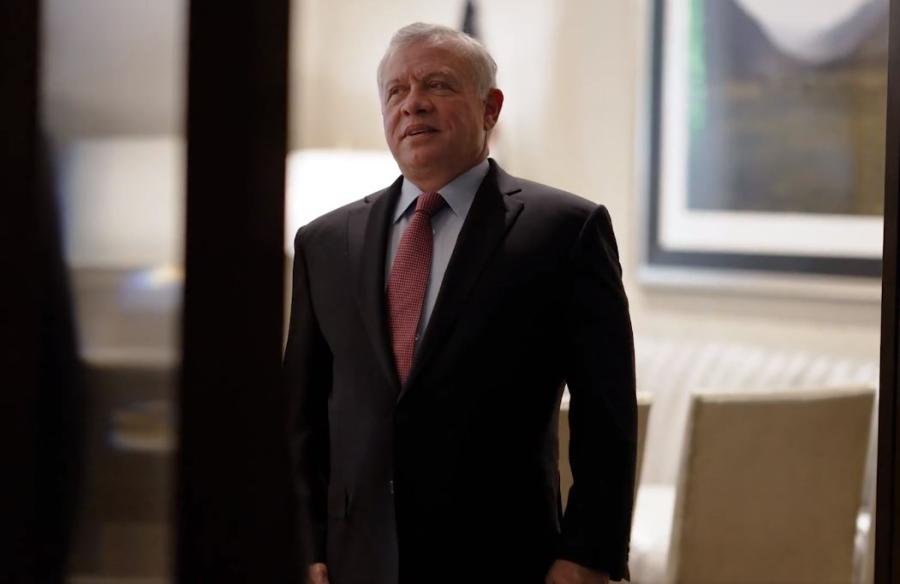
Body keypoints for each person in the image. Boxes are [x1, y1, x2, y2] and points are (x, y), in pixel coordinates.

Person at [284, 22, 636, 584]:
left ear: (490, 108)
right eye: (396, 91)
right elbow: (300, 418)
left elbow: (606, 413)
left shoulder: (566, 230)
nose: (413, 103)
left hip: (504, 557)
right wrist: (301, 546)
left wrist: (588, 555)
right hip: (356, 561)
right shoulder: (324, 242)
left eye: (438, 85)